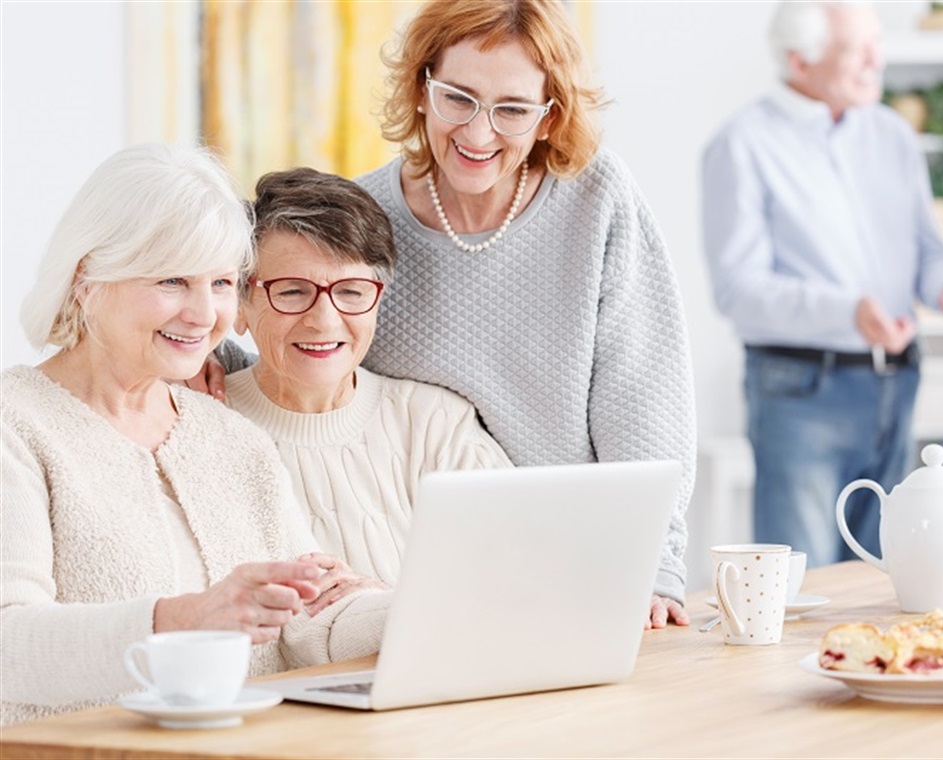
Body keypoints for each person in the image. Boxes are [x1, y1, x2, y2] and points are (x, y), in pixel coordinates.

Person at [213, 0, 697, 627]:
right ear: (421, 89)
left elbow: (644, 392)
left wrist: (654, 563)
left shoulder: (596, 198)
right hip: (457, 562)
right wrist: (211, 355)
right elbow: (311, 333)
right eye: (458, 98)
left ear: (549, 118)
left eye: (513, 109)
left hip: (587, 546)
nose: (477, 132)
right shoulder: (370, 216)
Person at [1, 144, 389, 726]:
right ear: (87, 278)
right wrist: (185, 618)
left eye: (221, 283)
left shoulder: (233, 439)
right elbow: (10, 646)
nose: (204, 314)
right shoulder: (17, 423)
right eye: (172, 280)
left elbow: (312, 623)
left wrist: (414, 609)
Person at [700, 1, 943, 567]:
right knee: (805, 584)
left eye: (876, 43)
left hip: (897, 384)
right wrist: (848, 311)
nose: (876, 60)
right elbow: (737, 289)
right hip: (803, 392)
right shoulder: (743, 144)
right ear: (799, 59)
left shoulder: (893, 135)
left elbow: (930, 255)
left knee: (885, 579)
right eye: (856, 49)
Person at [225, 167, 513, 586]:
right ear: (239, 305)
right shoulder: (200, 431)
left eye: (351, 292)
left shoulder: (436, 425)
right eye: (291, 291)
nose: (324, 321)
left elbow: (521, 576)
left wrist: (377, 602)